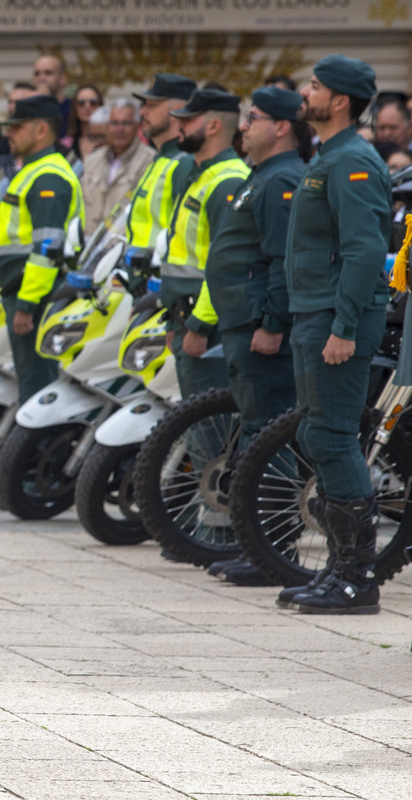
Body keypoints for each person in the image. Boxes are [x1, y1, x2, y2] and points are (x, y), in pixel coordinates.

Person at [279, 56, 392, 615]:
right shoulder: (329, 157)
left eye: (316, 86)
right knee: (318, 435)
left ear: (340, 100)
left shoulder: (352, 161)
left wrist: (345, 326)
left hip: (336, 319)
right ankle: (338, 570)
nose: (306, 92)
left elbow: (366, 250)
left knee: (334, 437)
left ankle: (358, 579)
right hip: (314, 314)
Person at [200, 87, 306, 586]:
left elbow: (282, 260)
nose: (243, 126)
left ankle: (274, 548)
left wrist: (272, 323)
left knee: (270, 437)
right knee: (257, 427)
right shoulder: (261, 176)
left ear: (281, 126)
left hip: (259, 327)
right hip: (241, 322)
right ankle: (258, 546)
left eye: (254, 118)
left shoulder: (283, 178)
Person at [0, 95, 84, 403]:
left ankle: (39, 451)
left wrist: (27, 306)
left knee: (38, 386)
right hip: (23, 291)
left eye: (18, 127)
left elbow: (47, 248)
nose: (9, 134)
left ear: (42, 130)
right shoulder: (35, 171)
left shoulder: (48, 176)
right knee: (31, 380)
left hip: (35, 298)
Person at [161, 89, 249, 400]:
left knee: (210, 437)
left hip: (207, 327)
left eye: (188, 118)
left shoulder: (227, 181)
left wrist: (199, 325)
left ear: (213, 126)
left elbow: (226, 264)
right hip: (188, 318)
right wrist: (176, 320)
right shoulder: (201, 174)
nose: (178, 124)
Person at [126, 74, 198, 250]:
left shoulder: (185, 162)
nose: (142, 112)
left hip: (160, 273)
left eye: (152, 105)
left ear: (178, 110)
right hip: (141, 271)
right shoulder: (162, 157)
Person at [79, 98, 153, 237]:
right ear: (107, 126)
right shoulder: (91, 160)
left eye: (126, 123)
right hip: (88, 248)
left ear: (138, 126)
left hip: (121, 250)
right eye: (115, 123)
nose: (120, 129)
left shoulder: (150, 161)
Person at [33, 55, 70, 139]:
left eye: (48, 73)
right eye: (37, 74)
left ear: (62, 79)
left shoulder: (72, 108)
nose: (41, 78)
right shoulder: (29, 109)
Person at [66, 84, 104, 164]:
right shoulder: (66, 144)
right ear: (75, 108)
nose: (87, 106)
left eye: (93, 102)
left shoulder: (111, 142)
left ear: (100, 106)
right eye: (81, 103)